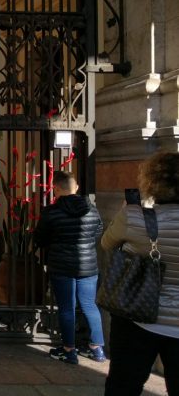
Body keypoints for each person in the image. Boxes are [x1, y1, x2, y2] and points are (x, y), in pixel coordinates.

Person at [102, 152, 179, 395]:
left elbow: (106, 243)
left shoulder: (135, 217)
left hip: (137, 316)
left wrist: (126, 213)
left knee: (123, 386)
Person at [34, 171, 104, 364]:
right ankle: (96, 348)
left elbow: (40, 238)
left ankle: (69, 350)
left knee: (66, 308)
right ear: (77, 188)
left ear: (55, 188)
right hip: (88, 265)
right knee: (90, 305)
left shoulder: (51, 212)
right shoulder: (92, 209)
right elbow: (99, 230)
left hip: (61, 265)